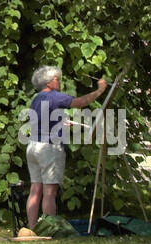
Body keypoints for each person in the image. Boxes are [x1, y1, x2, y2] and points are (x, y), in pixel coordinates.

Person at [24, 64, 107, 230]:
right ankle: (49, 229)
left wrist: (60, 123)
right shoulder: (55, 96)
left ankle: (32, 229)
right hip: (49, 149)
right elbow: (81, 102)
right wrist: (100, 90)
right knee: (50, 192)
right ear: (48, 83)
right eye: (56, 79)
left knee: (36, 189)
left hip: (33, 147)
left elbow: (42, 121)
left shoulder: (37, 98)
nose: (59, 82)